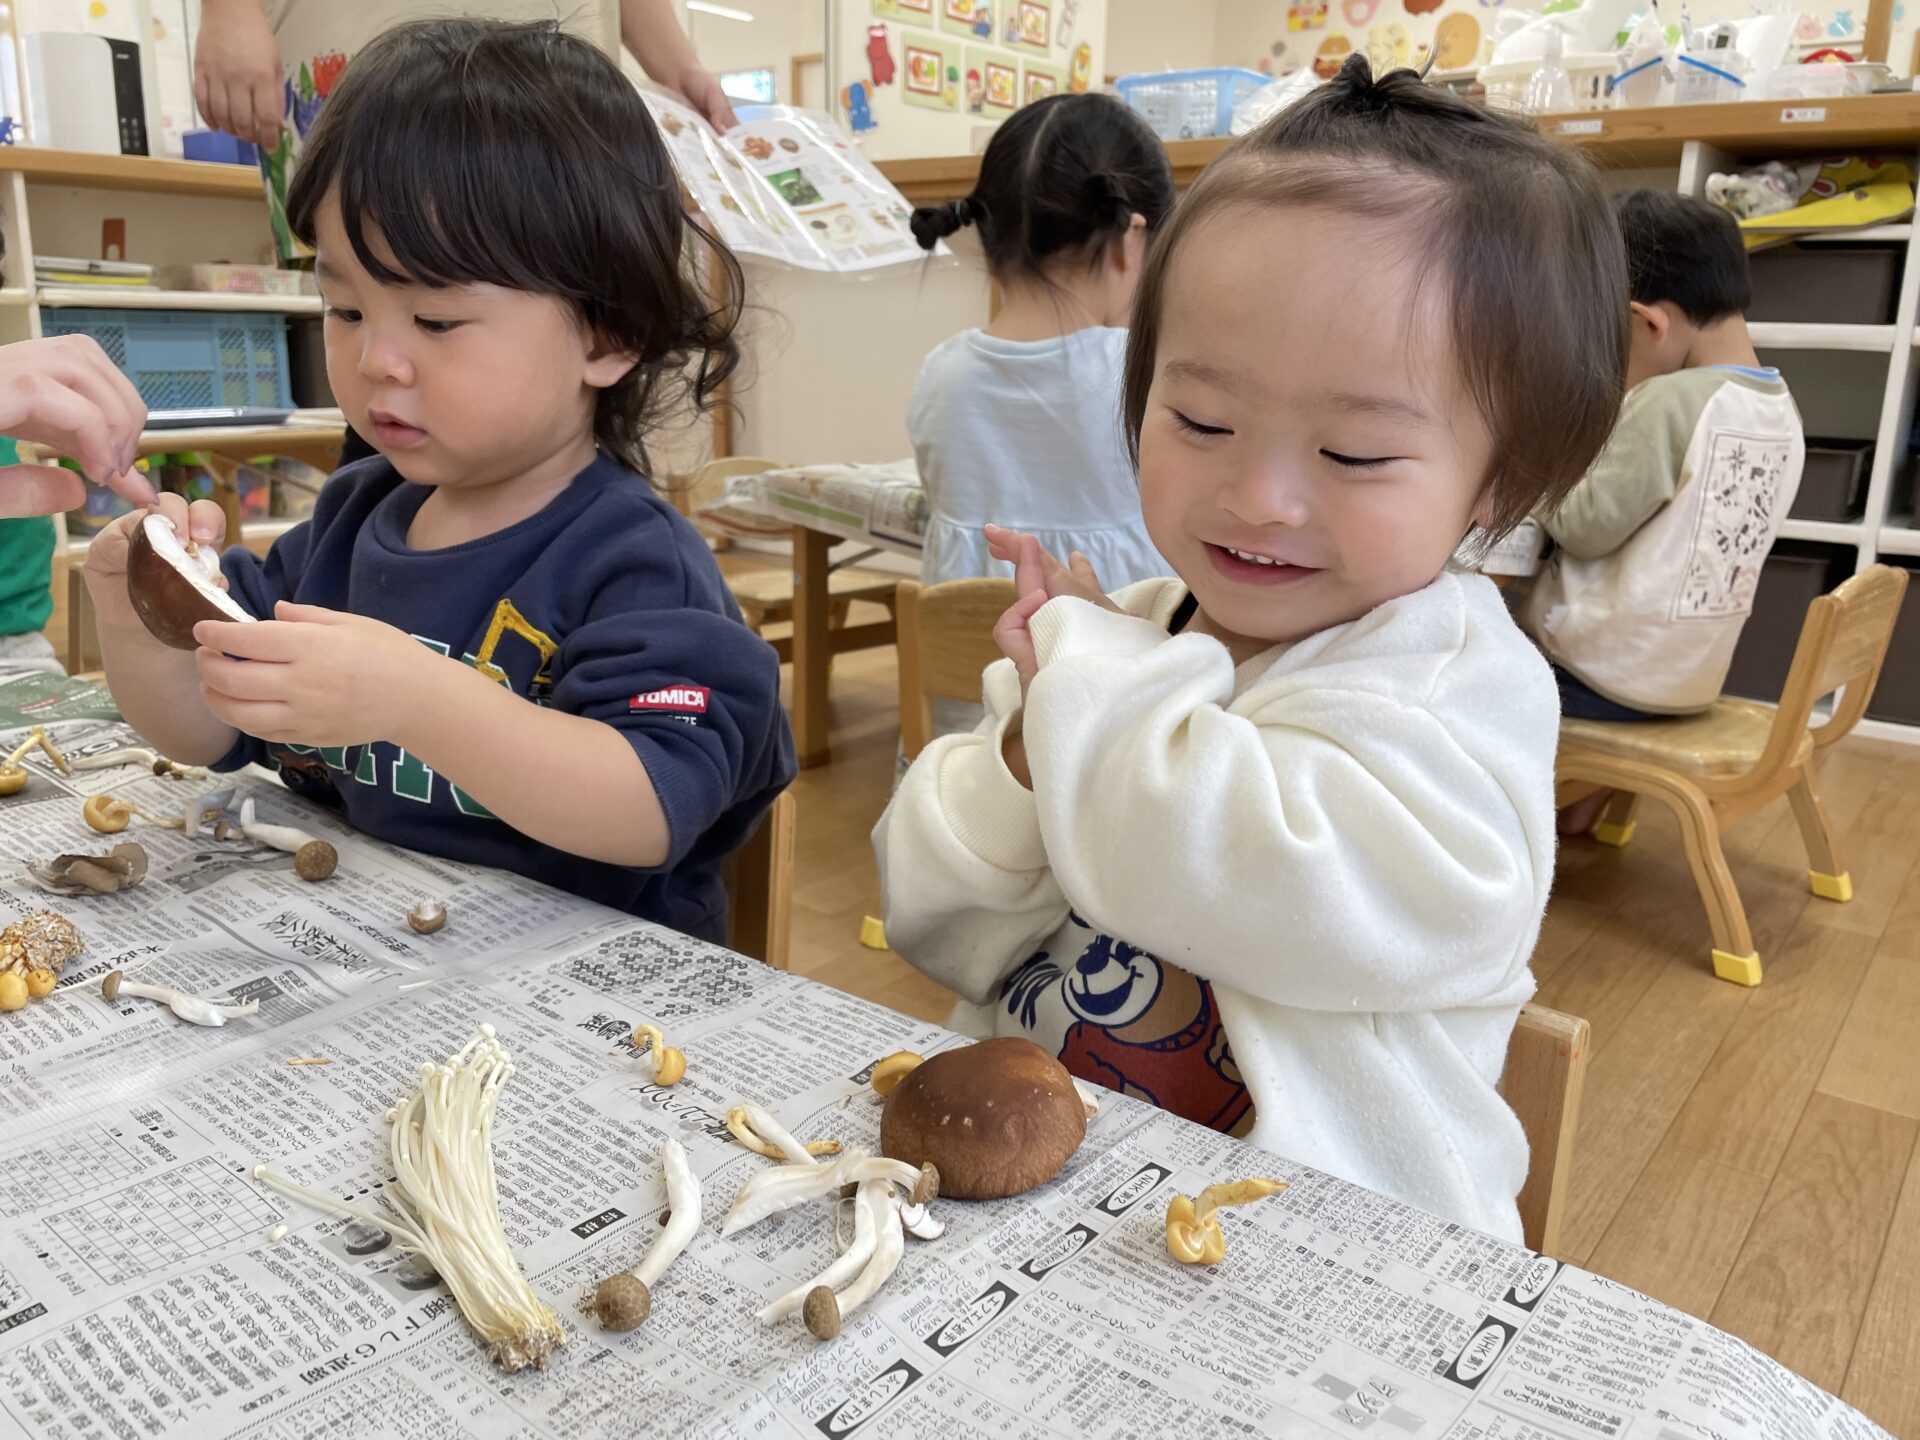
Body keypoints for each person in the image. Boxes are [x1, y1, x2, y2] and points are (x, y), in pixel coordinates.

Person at [874, 57, 1627, 1241]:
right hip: (1052, 1201)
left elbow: (1250, 876)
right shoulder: (1128, 638)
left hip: (1329, 1250)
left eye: (1356, 455)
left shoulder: (1456, 692)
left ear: (1505, 480)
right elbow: (931, 919)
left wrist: (1092, 686)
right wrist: (1020, 755)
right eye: (1202, 421)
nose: (1260, 496)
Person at [85, 19, 795, 943]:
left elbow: (654, 805)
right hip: (376, 960)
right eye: (345, 306)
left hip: (576, 998)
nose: (377, 359)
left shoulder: (631, 557)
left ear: (608, 334)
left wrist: (413, 698)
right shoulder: (351, 516)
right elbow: (207, 732)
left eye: (435, 319)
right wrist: (133, 615)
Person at [1522, 190, 1803, 728]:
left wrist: (1535, 472)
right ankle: (1585, 811)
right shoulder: (1779, 412)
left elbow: (1585, 526)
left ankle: (1538, 804)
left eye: (1611, 341)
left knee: (1474, 652)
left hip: (1597, 672)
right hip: (1686, 678)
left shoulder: (1671, 402)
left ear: (1648, 323)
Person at [193, 0, 737, 269]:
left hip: (554, 81)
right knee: (382, 283)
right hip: (367, 51)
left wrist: (676, 62)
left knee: (562, 294)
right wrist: (228, 11)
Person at [906, 92, 1175, 594]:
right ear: (1129, 240)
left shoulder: (941, 373)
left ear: (987, 243)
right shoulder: (1141, 371)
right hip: (1117, 655)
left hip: (975, 661)